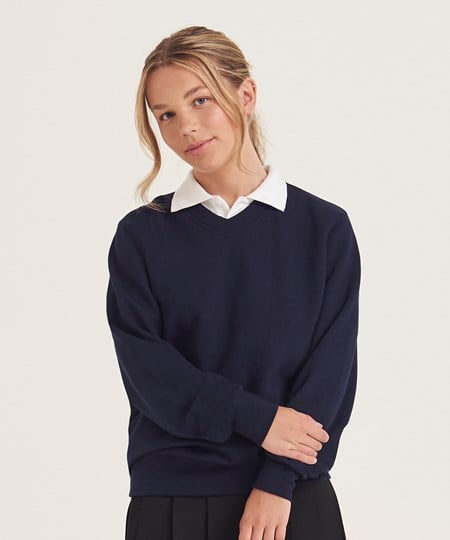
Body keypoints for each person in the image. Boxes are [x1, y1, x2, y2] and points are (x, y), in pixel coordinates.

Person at [106, 25, 361, 540]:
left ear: (245, 95)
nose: (186, 127)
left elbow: (330, 374)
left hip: (292, 499)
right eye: (166, 115)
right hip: (172, 498)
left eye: (200, 100)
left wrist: (279, 480)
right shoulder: (142, 236)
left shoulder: (323, 229)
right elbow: (151, 374)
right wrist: (258, 418)